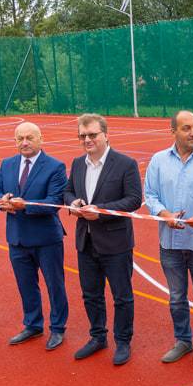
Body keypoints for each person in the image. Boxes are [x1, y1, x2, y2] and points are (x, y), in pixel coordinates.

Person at [144, 110, 193, 370]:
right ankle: (182, 340)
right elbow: (151, 195)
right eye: (187, 128)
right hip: (170, 243)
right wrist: (164, 214)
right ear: (173, 132)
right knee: (177, 297)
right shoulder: (158, 161)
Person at [64, 114, 142, 366]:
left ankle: (123, 341)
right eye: (83, 136)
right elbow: (68, 191)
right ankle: (98, 337)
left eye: (92, 135)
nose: (87, 140)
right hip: (85, 242)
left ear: (106, 135)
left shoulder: (125, 164)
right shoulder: (77, 164)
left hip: (115, 243)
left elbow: (133, 200)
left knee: (122, 296)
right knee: (91, 294)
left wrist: (101, 210)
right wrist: (72, 202)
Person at [0, 122, 69, 351]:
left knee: (55, 285)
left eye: (29, 138)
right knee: (26, 285)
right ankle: (33, 324)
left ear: (40, 139)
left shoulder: (55, 166)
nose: (24, 143)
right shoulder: (7, 164)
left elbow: (55, 201)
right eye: (19, 138)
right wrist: (1, 200)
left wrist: (25, 206)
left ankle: (57, 328)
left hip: (46, 239)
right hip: (17, 238)